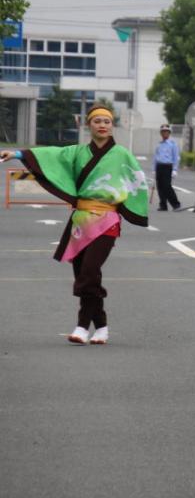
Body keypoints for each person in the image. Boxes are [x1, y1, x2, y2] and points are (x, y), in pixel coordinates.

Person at [0, 104, 149, 345]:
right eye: (97, 121)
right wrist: (17, 154)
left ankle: (82, 326)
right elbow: (51, 155)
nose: (102, 125)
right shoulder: (77, 152)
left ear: (112, 126)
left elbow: (137, 180)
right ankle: (101, 327)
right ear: (88, 125)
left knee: (89, 272)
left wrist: (134, 207)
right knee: (83, 274)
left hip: (108, 220)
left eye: (107, 121)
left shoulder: (122, 154)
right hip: (81, 220)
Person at [154, 124, 182, 211]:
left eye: (166, 132)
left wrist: (175, 169)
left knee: (167, 186)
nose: (164, 133)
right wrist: (154, 169)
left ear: (169, 133)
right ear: (161, 133)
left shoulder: (173, 144)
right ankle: (163, 205)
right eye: (163, 132)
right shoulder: (159, 144)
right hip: (159, 166)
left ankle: (176, 204)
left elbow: (176, 157)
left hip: (167, 166)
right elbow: (155, 157)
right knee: (160, 186)